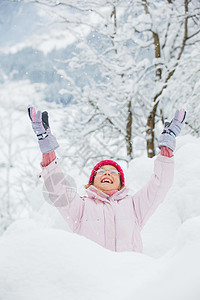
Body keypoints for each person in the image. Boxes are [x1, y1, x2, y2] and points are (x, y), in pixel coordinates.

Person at [28, 107, 186, 252]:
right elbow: (58, 188)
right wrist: (47, 146)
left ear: (120, 184)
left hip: (129, 276)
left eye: (113, 172)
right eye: (101, 171)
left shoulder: (134, 206)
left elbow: (160, 184)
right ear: (92, 182)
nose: (107, 174)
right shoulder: (81, 208)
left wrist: (167, 147)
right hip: (92, 277)